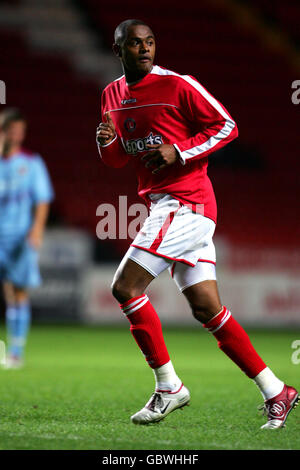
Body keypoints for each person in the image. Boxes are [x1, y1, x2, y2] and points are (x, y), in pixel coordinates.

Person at [96, 19, 298, 429]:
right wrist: (107, 144)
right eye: (135, 44)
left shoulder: (179, 84)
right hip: (162, 205)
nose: (145, 49)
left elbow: (227, 125)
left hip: (186, 201)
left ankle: (169, 386)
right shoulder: (111, 95)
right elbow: (119, 159)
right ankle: (277, 390)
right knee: (208, 309)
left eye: (150, 42)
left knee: (124, 286)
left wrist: (180, 152)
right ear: (118, 50)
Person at [0, 108, 54, 369]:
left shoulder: (31, 163)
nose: (17, 135)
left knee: (17, 292)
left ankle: (16, 352)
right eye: (12, 130)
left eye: (20, 131)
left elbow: (42, 200)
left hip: (19, 237)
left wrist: (36, 231)